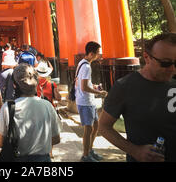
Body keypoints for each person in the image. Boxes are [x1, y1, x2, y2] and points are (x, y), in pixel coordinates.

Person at [99, 33, 176, 162]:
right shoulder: (125, 86)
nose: (173, 69)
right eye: (165, 63)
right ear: (147, 58)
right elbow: (103, 127)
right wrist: (135, 151)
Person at [0, 63, 61, 162]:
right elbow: (56, 138)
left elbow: (1, 143)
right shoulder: (47, 106)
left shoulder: (7, 108)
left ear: (14, 85)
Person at [75, 41, 107, 162]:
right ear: (91, 53)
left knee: (95, 126)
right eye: (98, 53)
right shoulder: (87, 66)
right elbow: (83, 87)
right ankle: (85, 155)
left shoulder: (82, 63)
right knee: (88, 129)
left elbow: (84, 83)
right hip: (85, 101)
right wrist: (100, 93)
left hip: (88, 100)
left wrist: (94, 86)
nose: (100, 55)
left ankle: (90, 150)